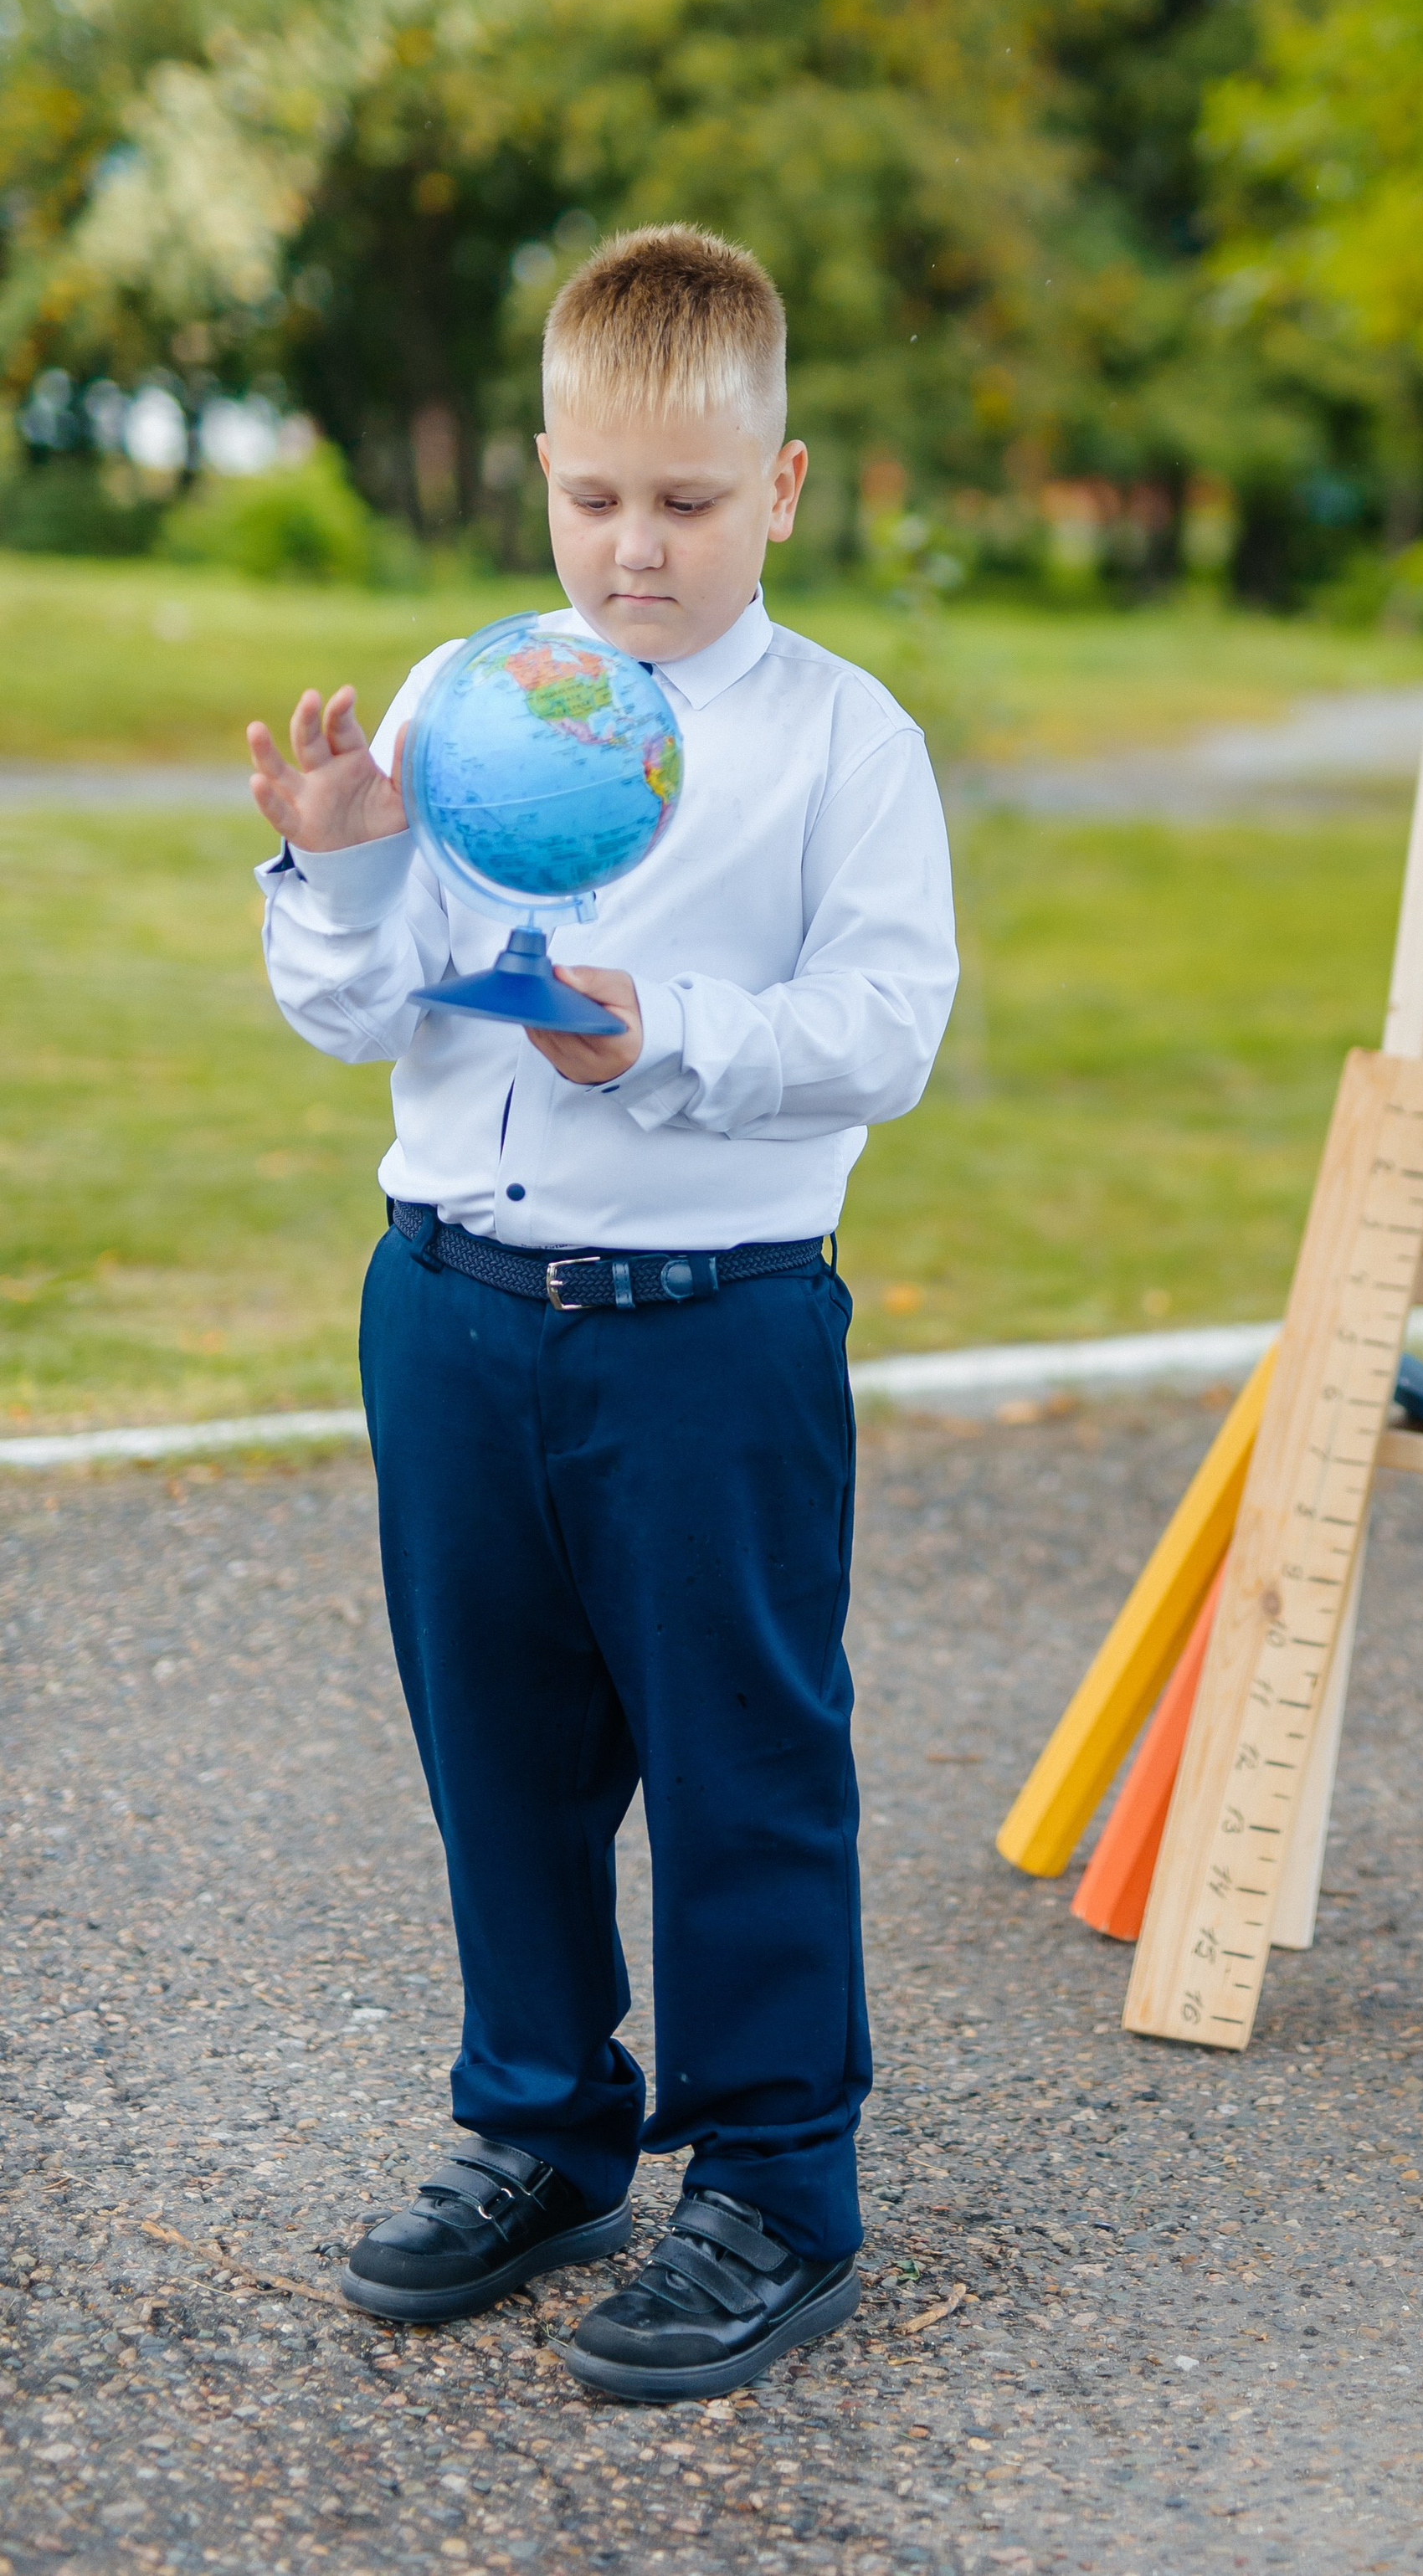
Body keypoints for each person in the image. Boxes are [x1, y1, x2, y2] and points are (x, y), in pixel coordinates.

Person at [246, 226, 958, 2401]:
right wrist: (350, 863)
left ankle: (774, 2177)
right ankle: (543, 2126)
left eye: (691, 503)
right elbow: (358, 1007)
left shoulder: (844, 740)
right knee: (503, 1753)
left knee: (746, 1757)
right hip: (452, 1306)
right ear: (543, 474)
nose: (635, 549)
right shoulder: (476, 710)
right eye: (595, 498)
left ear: (788, 485)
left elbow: (885, 1024)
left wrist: (658, 1028)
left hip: (710, 1330)